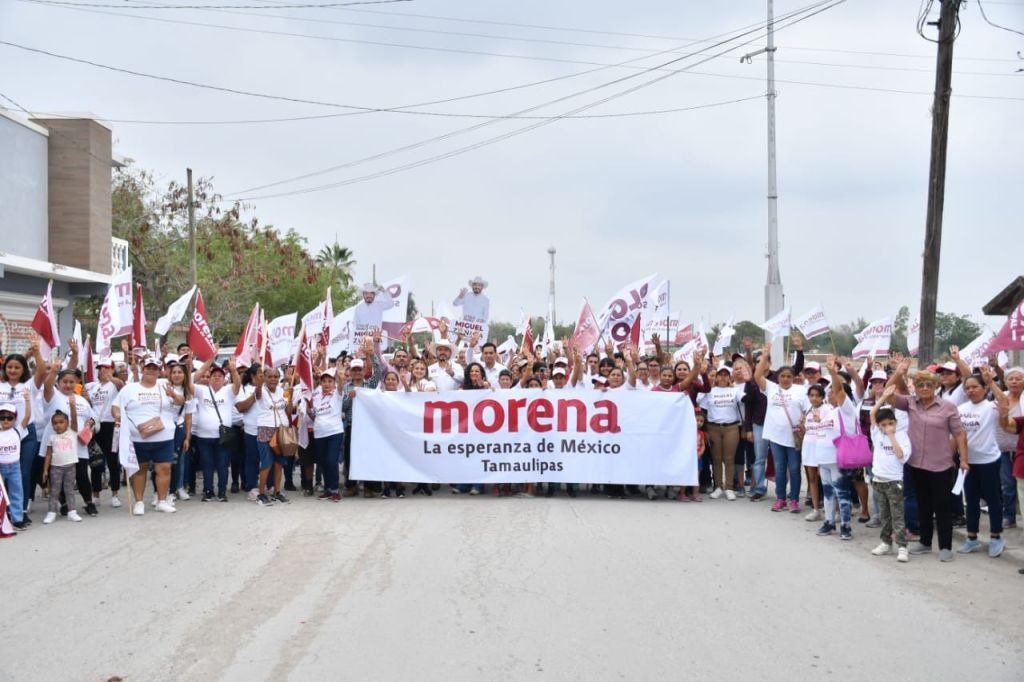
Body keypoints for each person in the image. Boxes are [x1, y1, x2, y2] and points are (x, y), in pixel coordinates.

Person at [884, 363, 968, 562]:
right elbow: (887, 394)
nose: (924, 389)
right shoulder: (910, 403)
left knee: (942, 506)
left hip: (941, 464)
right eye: (920, 385)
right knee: (923, 504)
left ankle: (946, 547)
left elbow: (960, 434)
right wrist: (898, 373)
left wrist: (964, 459)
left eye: (928, 385)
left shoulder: (948, 407)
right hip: (916, 463)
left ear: (935, 387)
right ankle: (925, 542)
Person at [112, 357, 185, 515]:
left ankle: (162, 501)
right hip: (138, 438)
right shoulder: (130, 389)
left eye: (155, 368)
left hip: (164, 436)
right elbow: (116, 407)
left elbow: (181, 402)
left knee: (164, 468)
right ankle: (139, 502)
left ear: (160, 371)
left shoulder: (165, 385)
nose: (151, 371)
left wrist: (173, 394)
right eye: (148, 368)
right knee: (140, 470)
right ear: (142, 369)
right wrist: (118, 417)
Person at [801, 357, 858, 539]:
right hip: (823, 459)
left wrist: (833, 372)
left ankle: (846, 526)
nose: (829, 395)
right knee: (827, 492)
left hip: (837, 459)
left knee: (842, 492)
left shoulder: (846, 409)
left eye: (832, 392)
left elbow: (840, 390)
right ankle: (829, 522)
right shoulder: (829, 411)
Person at [955, 368, 1007, 558]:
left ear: (984, 389)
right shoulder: (960, 409)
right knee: (971, 501)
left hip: (989, 461)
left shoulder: (992, 407)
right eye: (967, 388)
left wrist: (991, 382)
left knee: (993, 500)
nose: (970, 391)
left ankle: (996, 536)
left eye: (975, 387)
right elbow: (957, 436)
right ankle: (972, 537)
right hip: (968, 463)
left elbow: (1005, 402)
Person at [754, 344, 810, 513]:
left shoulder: (801, 390)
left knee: (794, 468)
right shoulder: (771, 387)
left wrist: (803, 422)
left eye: (788, 376)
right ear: (777, 377)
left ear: (793, 378)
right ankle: (780, 498)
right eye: (782, 376)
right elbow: (757, 375)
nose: (785, 379)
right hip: (776, 436)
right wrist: (764, 356)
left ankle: (793, 500)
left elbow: (808, 410)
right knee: (779, 468)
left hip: (793, 437)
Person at [41, 354, 99, 517]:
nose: (68, 385)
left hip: (78, 444)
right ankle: (64, 503)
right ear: (58, 383)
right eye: (64, 382)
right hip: (57, 444)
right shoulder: (52, 397)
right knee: (58, 475)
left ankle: (89, 503)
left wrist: (90, 424)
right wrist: (53, 371)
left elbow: (93, 416)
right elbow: (46, 386)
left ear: (77, 383)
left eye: (71, 382)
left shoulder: (82, 400)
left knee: (81, 474)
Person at [869, 394, 912, 562]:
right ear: (879, 426)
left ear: (896, 422)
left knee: (897, 516)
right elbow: (873, 412)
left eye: (891, 423)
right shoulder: (876, 434)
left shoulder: (902, 436)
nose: (887, 427)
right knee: (884, 516)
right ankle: (885, 542)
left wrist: (892, 436)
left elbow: (901, 456)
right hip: (879, 480)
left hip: (894, 482)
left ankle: (902, 546)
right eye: (884, 425)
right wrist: (884, 397)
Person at [193, 359, 241, 503]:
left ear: (224, 379)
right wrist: (209, 361)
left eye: (220, 376)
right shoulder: (202, 390)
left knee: (222, 465)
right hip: (204, 436)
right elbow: (191, 381)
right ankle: (208, 491)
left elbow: (237, 385)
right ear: (209, 377)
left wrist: (234, 370)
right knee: (207, 465)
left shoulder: (228, 390)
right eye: (214, 375)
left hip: (223, 436)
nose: (216, 378)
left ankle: (221, 491)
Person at [698, 364, 743, 501]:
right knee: (716, 459)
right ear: (716, 377)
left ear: (730, 378)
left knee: (729, 459)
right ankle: (718, 487)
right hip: (713, 427)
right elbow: (701, 405)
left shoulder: (735, 391)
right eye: (720, 375)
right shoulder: (710, 391)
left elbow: (745, 400)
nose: (723, 377)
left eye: (726, 375)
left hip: (731, 427)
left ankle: (729, 487)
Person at [86, 357, 125, 508]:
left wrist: (111, 377)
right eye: (101, 367)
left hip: (110, 425)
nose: (103, 370)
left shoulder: (114, 384)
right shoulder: (94, 387)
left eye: (107, 367)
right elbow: (92, 406)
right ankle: (96, 494)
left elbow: (121, 384)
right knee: (96, 462)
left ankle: (115, 494)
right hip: (95, 426)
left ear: (112, 369)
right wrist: (88, 399)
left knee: (113, 461)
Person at [252, 365, 293, 506]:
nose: (273, 379)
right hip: (265, 430)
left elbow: (288, 410)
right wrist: (258, 383)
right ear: (264, 377)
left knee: (279, 463)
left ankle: (277, 492)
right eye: (270, 376)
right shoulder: (260, 391)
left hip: (281, 431)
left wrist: (291, 397)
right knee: (267, 463)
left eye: (276, 376)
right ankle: (261, 494)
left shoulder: (282, 391)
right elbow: (256, 395)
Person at [310, 368, 345, 502]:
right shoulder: (316, 395)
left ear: (334, 383)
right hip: (319, 433)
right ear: (320, 383)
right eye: (324, 381)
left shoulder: (337, 394)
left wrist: (340, 377)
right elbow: (313, 412)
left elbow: (341, 385)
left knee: (331, 461)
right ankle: (328, 489)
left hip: (334, 432)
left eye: (330, 381)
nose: (327, 384)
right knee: (323, 463)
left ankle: (335, 489)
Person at [995, 365, 1022, 530]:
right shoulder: (1001, 397)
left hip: (1021, 449)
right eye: (1010, 379)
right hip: (1004, 448)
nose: (1014, 381)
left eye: (1018, 378)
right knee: (1007, 484)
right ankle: (1009, 516)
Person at [41, 409, 80, 524]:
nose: (58, 425)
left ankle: (72, 512)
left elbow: (74, 419)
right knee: (54, 491)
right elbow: (48, 455)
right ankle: (51, 512)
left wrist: (72, 405)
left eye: (61, 422)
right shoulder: (52, 438)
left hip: (70, 467)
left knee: (69, 490)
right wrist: (45, 470)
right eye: (55, 423)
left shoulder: (72, 433)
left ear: (67, 423)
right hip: (56, 468)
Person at [0, 394, 32, 529]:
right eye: (2, 417)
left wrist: (27, 400)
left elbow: (27, 417)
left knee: (16, 492)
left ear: (15, 419)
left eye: (9, 417)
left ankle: (17, 519)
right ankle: (2, 518)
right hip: (1, 467)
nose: (6, 420)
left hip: (14, 467)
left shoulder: (18, 430)